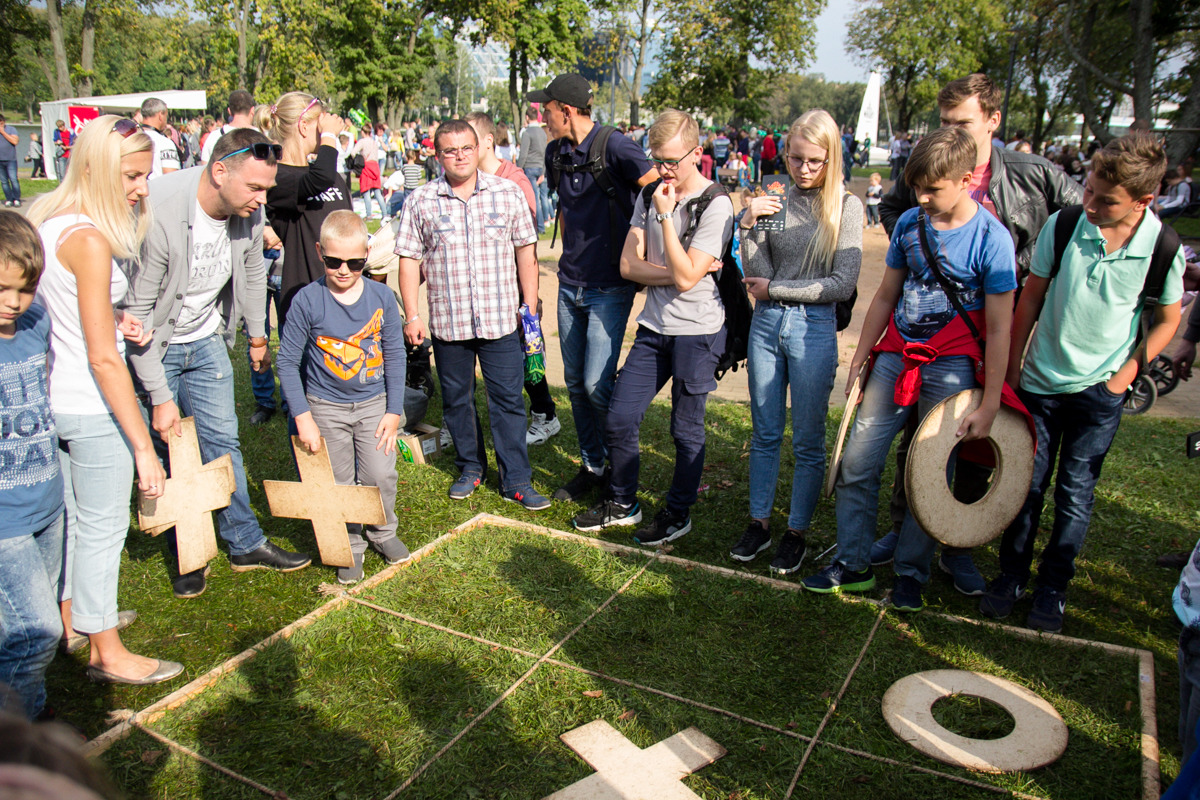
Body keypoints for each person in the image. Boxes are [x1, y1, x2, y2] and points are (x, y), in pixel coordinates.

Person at [872, 73, 1083, 594]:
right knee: (920, 437)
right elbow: (898, 207)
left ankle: (958, 544)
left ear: (993, 121)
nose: (951, 132)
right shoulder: (929, 167)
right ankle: (906, 529)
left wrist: (1033, 275)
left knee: (977, 434)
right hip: (930, 335)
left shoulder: (1034, 174)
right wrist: (921, 249)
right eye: (944, 123)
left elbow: (1084, 218)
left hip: (1000, 323)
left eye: (962, 123)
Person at [801, 126, 1017, 612]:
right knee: (858, 461)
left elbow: (1001, 329)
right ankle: (852, 565)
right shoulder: (909, 224)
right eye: (916, 185)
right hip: (894, 359)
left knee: (930, 474)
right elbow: (886, 294)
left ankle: (911, 576)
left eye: (933, 188)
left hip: (954, 367)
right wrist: (861, 354)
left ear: (965, 179)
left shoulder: (992, 239)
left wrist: (990, 401)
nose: (921, 196)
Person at [979, 132, 1185, 633]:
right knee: (1026, 485)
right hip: (1040, 384)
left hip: (1100, 394)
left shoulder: (1163, 247)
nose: (1089, 203)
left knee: (1075, 492)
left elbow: (1166, 320)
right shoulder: (1065, 223)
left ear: (1143, 201)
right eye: (1089, 190)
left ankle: (1054, 586)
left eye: (1105, 200)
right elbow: (1030, 300)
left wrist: (1125, 377)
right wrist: (1011, 372)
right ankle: (1012, 575)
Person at [123, 128, 312, 599]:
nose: (262, 199)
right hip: (156, 347)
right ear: (219, 171)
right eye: (255, 188)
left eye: (266, 189)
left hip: (206, 340)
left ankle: (244, 541)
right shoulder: (162, 212)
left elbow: (251, 272)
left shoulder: (249, 208)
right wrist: (160, 396)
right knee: (169, 450)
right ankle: (186, 550)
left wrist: (255, 336)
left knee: (222, 441)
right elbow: (139, 316)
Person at [27, 116, 182, 685]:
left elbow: (58, 309)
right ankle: (107, 651)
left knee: (70, 522)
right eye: (134, 176)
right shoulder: (90, 241)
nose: (143, 188)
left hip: (51, 400)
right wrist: (142, 445)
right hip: (92, 406)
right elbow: (100, 359)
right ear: (95, 170)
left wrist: (118, 319)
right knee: (101, 527)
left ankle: (71, 621)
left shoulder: (48, 222)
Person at [571, 109, 734, 545]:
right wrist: (683, 270)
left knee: (685, 429)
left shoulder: (715, 203)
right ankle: (623, 501)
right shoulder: (649, 195)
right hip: (654, 326)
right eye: (656, 159)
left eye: (671, 162)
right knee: (620, 415)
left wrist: (666, 222)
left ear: (697, 154)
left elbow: (684, 276)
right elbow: (629, 266)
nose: (661, 171)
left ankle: (677, 513)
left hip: (698, 330)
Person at [728, 110, 863, 574]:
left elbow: (842, 283)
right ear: (784, 153)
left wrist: (779, 289)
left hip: (813, 328)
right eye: (796, 158)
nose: (804, 169)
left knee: (807, 439)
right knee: (765, 432)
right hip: (766, 325)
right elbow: (755, 273)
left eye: (815, 161)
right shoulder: (777, 201)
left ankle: (796, 532)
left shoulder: (846, 207)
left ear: (832, 158)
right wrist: (747, 224)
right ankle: (759, 523)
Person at [393, 120, 550, 510]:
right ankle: (470, 468)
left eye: (466, 148)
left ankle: (516, 478)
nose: (459, 156)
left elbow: (526, 252)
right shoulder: (422, 201)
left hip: (501, 321)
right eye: (450, 150)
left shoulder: (507, 193)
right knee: (457, 401)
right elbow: (409, 260)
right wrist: (413, 314)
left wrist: (530, 303)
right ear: (438, 155)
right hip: (450, 323)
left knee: (508, 401)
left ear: (479, 147)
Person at [529, 74, 657, 502]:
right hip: (570, 284)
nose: (541, 116)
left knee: (596, 385)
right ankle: (593, 466)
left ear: (566, 111)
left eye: (545, 109)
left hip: (610, 287)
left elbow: (659, 192)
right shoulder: (554, 152)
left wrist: (639, 253)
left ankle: (619, 472)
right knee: (574, 381)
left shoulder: (617, 145)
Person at [276, 211, 410, 584]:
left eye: (355, 262)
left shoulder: (382, 296)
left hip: (373, 405)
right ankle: (350, 545)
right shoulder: (307, 300)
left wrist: (393, 410)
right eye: (334, 261)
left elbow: (396, 354)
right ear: (320, 252)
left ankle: (383, 532)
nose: (344, 270)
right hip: (325, 407)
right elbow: (287, 362)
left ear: (368, 254)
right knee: (340, 482)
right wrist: (303, 415)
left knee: (379, 474)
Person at [0, 212, 66, 717]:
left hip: (45, 497)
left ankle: (29, 713)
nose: (13, 302)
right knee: (35, 635)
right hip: (5, 522)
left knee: (20, 630)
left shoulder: (35, 320)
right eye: (3, 288)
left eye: (24, 289)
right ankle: (20, 745)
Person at [464, 112, 561, 448]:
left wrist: (528, 301)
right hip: (483, 290)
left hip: (513, 290)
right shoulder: (467, 179)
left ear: (488, 141)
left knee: (526, 354)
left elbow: (526, 244)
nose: (463, 150)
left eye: (470, 141)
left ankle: (545, 414)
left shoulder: (515, 182)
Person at [257, 92, 352, 341]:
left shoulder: (328, 176)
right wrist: (330, 136)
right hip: (307, 297)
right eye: (320, 124)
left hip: (345, 296)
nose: (324, 131)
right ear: (303, 126)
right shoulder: (278, 178)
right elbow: (318, 180)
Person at [199, 90, 256, 166]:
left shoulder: (213, 137)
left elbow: (205, 168)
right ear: (252, 110)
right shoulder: (262, 137)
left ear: (229, 111)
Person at [518, 107, 550, 233]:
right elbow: (544, 152)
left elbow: (523, 154)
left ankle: (539, 227)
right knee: (540, 198)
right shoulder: (542, 132)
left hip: (529, 167)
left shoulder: (527, 133)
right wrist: (543, 171)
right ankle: (541, 226)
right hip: (540, 166)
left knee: (533, 199)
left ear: (527, 117)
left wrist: (518, 169)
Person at [139, 98, 180, 180]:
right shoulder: (165, 143)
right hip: (157, 190)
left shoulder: (131, 139)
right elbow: (171, 178)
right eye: (166, 116)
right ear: (160, 115)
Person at [352, 126, 385, 220]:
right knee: (377, 192)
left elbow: (353, 152)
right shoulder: (374, 142)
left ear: (362, 132)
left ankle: (369, 215)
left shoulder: (362, 142)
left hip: (366, 167)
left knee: (366, 192)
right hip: (375, 166)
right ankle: (385, 213)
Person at [0, 116, 20, 208]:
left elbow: (15, 141)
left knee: (13, 179)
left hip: (11, 159)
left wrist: (3, 132)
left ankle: (16, 199)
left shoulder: (11, 129)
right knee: (4, 181)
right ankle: (9, 199)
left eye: (1, 123)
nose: (1, 125)